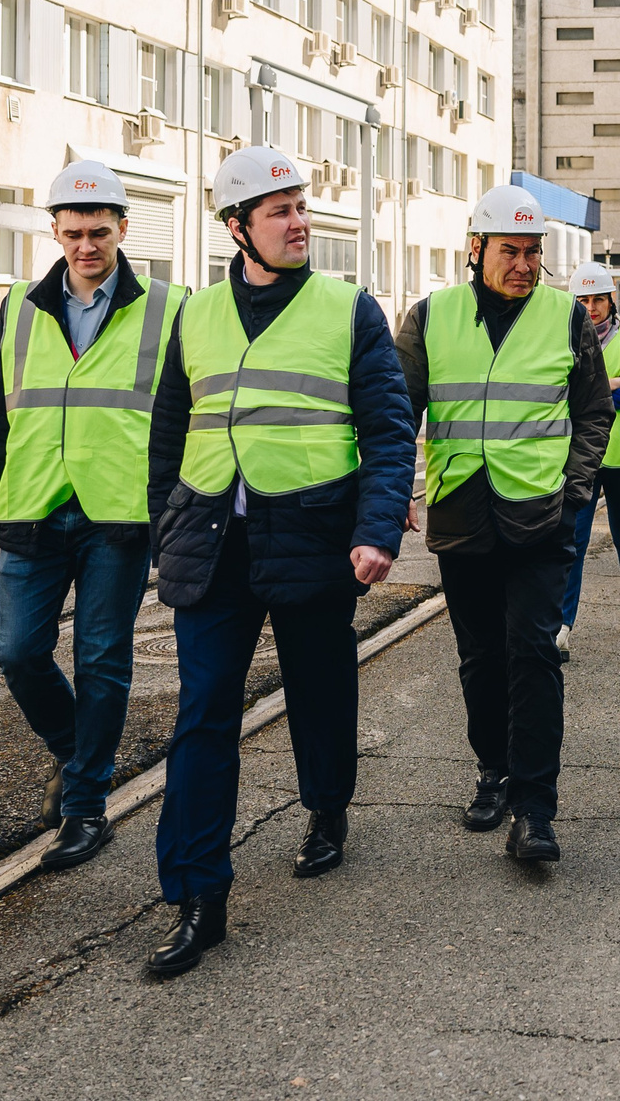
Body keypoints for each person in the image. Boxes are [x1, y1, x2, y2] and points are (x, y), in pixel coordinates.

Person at [143, 147, 413, 977]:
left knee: (321, 688)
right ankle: (199, 896)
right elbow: (166, 432)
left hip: (314, 531)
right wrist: (167, 523)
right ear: (238, 227)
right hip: (214, 542)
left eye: (301, 206)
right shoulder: (195, 314)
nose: (300, 222)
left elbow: (389, 428)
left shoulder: (348, 308)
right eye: (280, 210)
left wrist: (377, 529)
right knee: (203, 716)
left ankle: (327, 807)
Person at [0, 161, 184, 874]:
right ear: (54, 230)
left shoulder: (168, 308)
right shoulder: (19, 308)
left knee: (103, 661)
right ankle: (75, 753)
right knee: (17, 650)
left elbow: (186, 417)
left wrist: (175, 511)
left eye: (100, 231)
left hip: (117, 514)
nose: (87, 245)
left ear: (123, 227)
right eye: (74, 232)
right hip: (30, 505)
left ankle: (86, 807)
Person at [399, 185, 613, 864]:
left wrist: (575, 491)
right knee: (481, 657)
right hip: (462, 513)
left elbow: (593, 413)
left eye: (532, 252)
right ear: (476, 249)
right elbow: (398, 410)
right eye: (510, 251)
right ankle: (492, 768)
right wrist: (387, 496)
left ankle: (534, 808)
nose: (523, 264)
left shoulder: (566, 318)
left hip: (541, 517)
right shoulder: (429, 317)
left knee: (534, 653)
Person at [564, 261, 620, 641]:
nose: (591, 307)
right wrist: (612, 382)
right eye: (583, 300)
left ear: (611, 299)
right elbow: (560, 393)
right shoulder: (561, 339)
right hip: (582, 453)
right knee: (573, 539)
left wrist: (595, 390)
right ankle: (562, 624)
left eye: (598, 299)